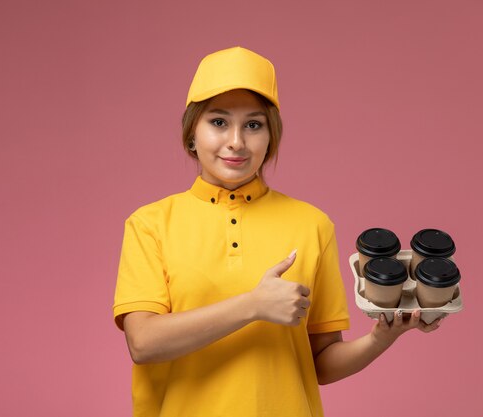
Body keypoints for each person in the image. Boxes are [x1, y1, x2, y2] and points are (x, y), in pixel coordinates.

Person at [113, 46, 441, 417]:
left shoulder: (311, 223)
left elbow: (321, 363)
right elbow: (142, 343)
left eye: (254, 124)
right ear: (192, 134)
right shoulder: (150, 223)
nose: (236, 141)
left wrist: (382, 336)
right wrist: (254, 305)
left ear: (271, 136)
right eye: (218, 122)